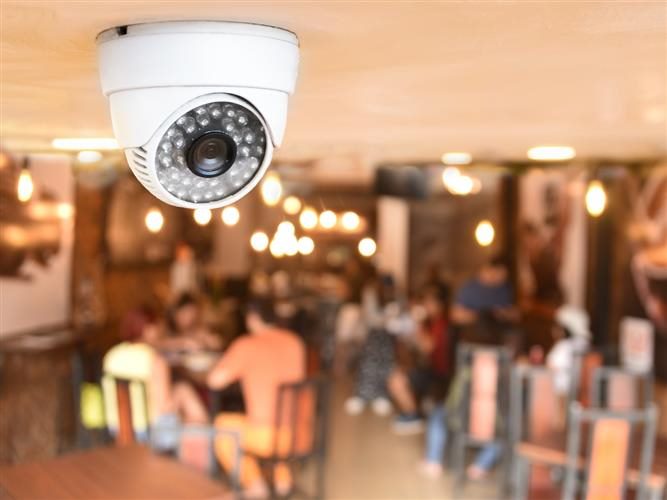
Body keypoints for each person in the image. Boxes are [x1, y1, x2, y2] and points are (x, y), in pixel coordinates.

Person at [207, 298, 306, 498]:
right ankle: (282, 479)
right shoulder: (295, 342)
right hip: (299, 433)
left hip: (267, 437)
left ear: (252, 318)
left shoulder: (246, 345)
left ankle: (254, 485)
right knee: (275, 416)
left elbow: (214, 381)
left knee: (222, 426)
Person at [103, 312, 209, 451]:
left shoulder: (112, 355)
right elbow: (163, 407)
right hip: (149, 434)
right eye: (156, 326)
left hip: (115, 429)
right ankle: (205, 456)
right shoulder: (154, 360)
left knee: (182, 391)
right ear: (147, 328)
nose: (160, 330)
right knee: (187, 399)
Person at [388, 284, 455, 434]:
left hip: (439, 373)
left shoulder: (442, 323)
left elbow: (427, 347)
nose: (426, 305)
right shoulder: (433, 322)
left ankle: (412, 416)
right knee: (399, 370)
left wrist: (417, 323)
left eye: (430, 302)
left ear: (440, 304)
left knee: (396, 379)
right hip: (431, 368)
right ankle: (411, 412)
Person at [451, 254, 517, 331]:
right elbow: (456, 315)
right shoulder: (469, 289)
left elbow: (514, 313)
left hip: (499, 331)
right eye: (496, 274)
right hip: (473, 331)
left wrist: (504, 314)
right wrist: (482, 316)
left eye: (502, 277)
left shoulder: (504, 288)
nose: (498, 280)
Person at [145, 293, 222, 353]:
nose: (189, 319)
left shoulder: (196, 329)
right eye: (185, 314)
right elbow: (151, 345)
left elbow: (215, 342)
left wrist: (209, 341)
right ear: (174, 313)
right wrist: (181, 343)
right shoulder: (160, 328)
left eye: (192, 314)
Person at [546, 304, 591, 395]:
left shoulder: (564, 347)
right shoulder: (583, 344)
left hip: (562, 393)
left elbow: (551, 367)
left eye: (559, 326)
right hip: (575, 393)